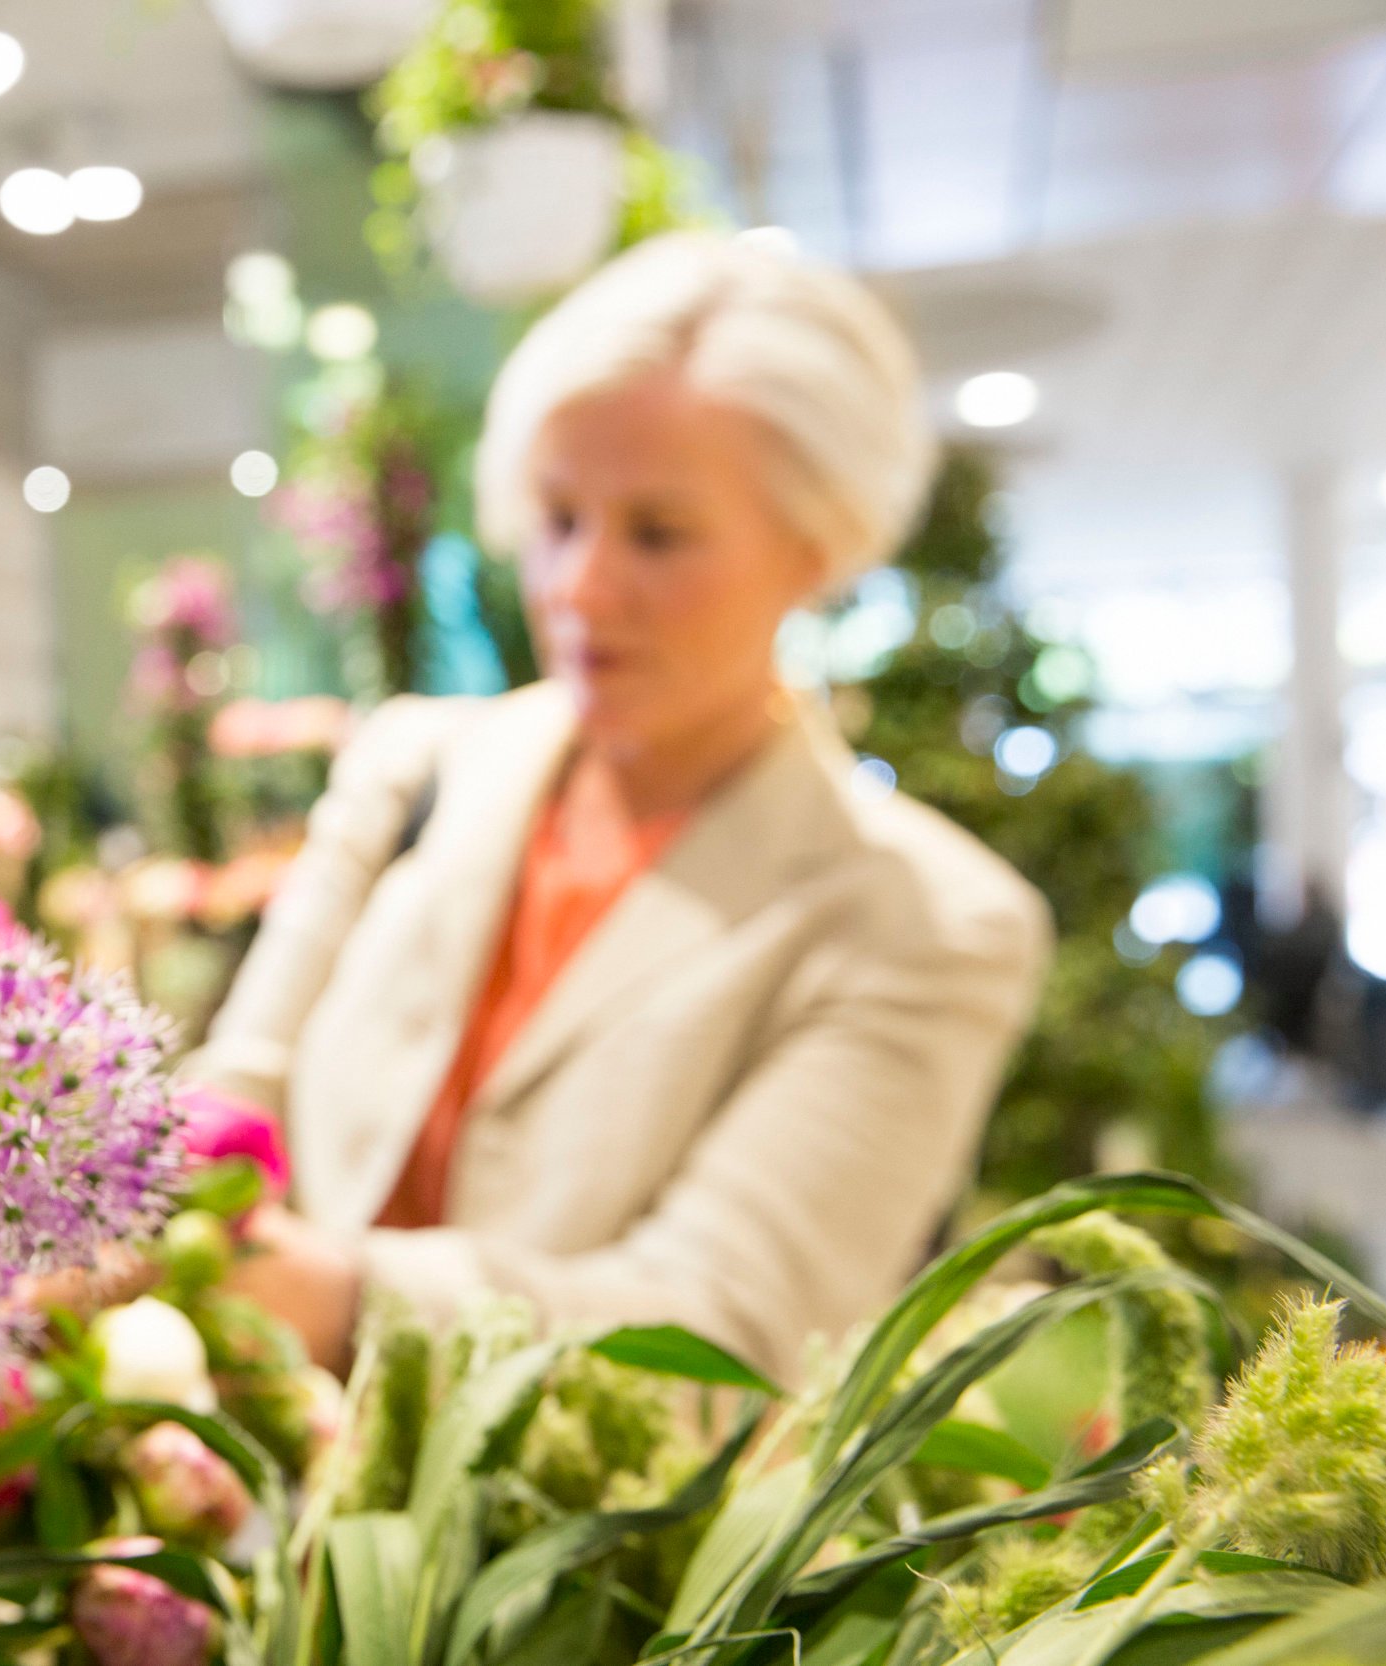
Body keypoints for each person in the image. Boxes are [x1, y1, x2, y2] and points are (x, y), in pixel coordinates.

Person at [190, 231, 1053, 1385]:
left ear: (816, 544)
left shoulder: (924, 923)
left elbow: (721, 1338)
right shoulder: (413, 769)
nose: (579, 588)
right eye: (555, 518)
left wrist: (342, 1302)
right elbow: (228, 1100)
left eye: (657, 533)